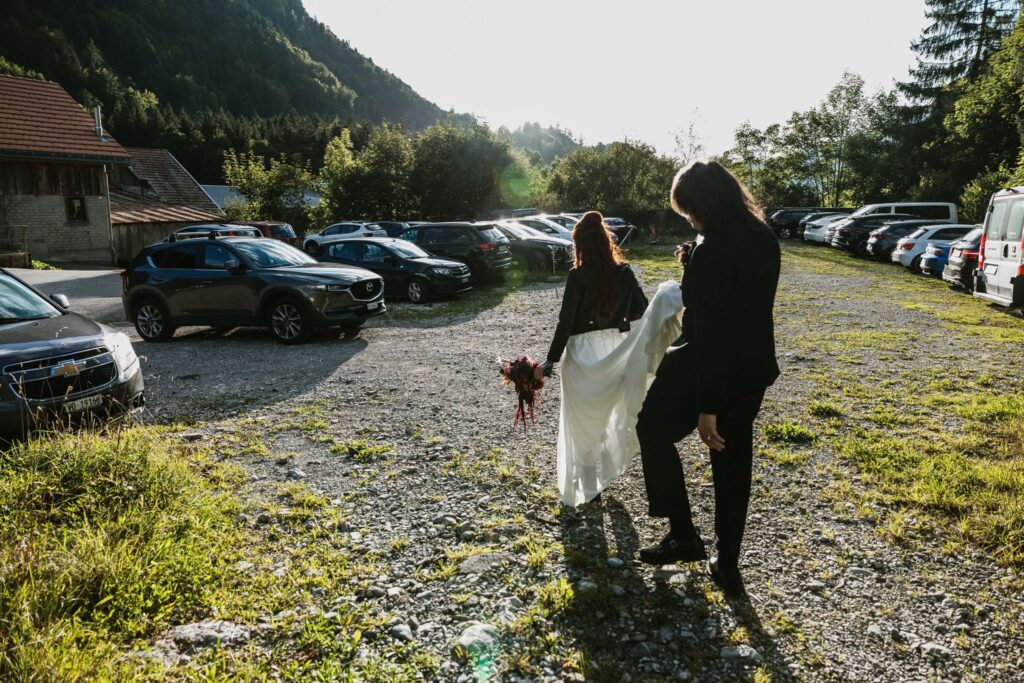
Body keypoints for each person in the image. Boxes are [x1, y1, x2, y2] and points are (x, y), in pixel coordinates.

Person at [635, 161, 781, 597]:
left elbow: (715, 332)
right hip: (753, 371)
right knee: (733, 465)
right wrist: (693, 256)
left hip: (709, 368)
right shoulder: (762, 236)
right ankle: (728, 565)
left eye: (690, 211)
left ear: (705, 204)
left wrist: (707, 406)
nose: (690, 220)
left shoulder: (712, 249)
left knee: (652, 426)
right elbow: (739, 296)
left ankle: (684, 535)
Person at [536, 211, 683, 506]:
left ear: (581, 246)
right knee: (610, 412)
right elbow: (643, 310)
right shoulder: (624, 273)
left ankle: (592, 486)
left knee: (584, 421)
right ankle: (604, 472)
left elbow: (565, 323)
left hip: (580, 354)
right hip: (615, 349)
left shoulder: (577, 276)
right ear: (606, 243)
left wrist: (548, 362)